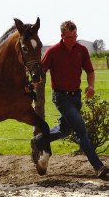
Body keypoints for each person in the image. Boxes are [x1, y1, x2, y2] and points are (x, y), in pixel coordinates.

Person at [31, 20, 109, 178]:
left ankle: (39, 140)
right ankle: (99, 167)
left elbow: (90, 71)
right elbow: (40, 73)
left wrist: (91, 86)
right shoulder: (53, 51)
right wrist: (32, 84)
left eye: (75, 36)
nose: (74, 40)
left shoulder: (81, 50)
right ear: (62, 36)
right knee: (81, 130)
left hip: (76, 97)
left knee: (64, 130)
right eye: (70, 37)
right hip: (60, 96)